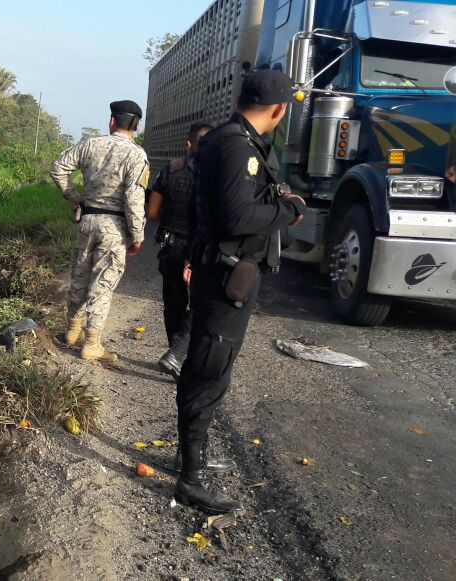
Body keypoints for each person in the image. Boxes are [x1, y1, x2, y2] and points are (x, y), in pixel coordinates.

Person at [174, 70, 307, 514]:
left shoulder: (227, 139)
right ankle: (189, 480)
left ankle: (191, 458)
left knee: (212, 366)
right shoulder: (236, 146)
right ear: (279, 109)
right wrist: (288, 210)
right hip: (227, 275)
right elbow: (237, 218)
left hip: (227, 273)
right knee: (209, 370)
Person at [50, 100, 149, 362]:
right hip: (114, 227)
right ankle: (92, 343)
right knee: (102, 284)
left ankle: (72, 330)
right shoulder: (136, 155)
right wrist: (137, 235)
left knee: (79, 276)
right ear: (137, 126)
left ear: (112, 121)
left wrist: (75, 197)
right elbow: (134, 198)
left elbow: (58, 169)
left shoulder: (90, 145)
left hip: (88, 220)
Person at [146, 123, 213, 379]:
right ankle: (181, 354)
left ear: (189, 144)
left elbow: (152, 212)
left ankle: (175, 352)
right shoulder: (219, 175)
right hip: (203, 250)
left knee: (174, 303)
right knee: (203, 304)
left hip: (172, 245)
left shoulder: (171, 169)